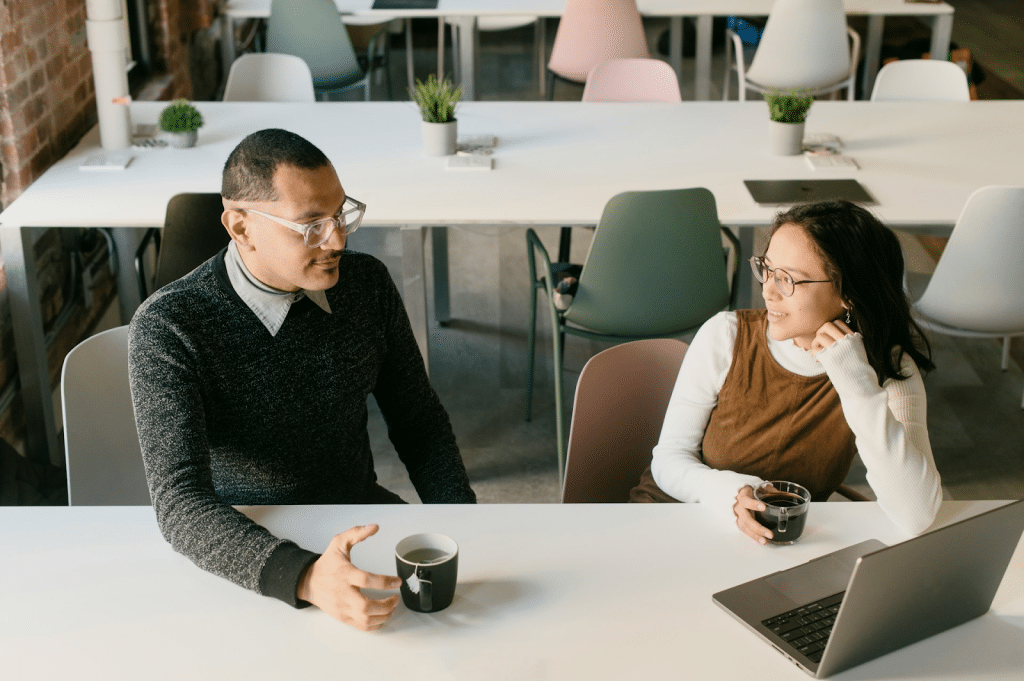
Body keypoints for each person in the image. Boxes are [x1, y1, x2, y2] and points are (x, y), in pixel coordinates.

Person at [129, 128, 476, 631]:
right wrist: (307, 576)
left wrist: (464, 521)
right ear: (241, 227)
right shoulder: (169, 327)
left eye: (339, 215)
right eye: (311, 224)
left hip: (360, 518)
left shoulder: (367, 285)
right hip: (244, 543)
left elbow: (417, 419)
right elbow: (180, 502)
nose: (336, 239)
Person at [630, 200, 943, 541]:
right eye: (766, 268)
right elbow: (668, 461)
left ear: (849, 294)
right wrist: (734, 494)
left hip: (778, 546)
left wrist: (857, 384)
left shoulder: (887, 370)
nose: (767, 290)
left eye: (788, 280)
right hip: (671, 523)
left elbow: (917, 515)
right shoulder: (726, 336)